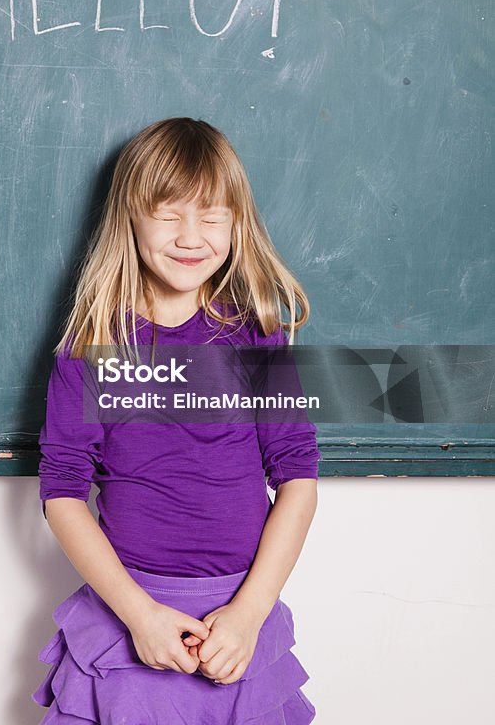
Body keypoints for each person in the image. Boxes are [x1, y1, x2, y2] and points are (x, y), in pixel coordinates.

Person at [32, 117, 320, 724]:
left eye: (212, 215)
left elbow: (298, 477)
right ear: (129, 219)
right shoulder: (93, 348)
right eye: (168, 213)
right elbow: (62, 493)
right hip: (131, 612)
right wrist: (139, 616)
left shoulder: (257, 339)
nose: (191, 236)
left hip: (238, 620)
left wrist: (248, 614)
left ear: (238, 222)